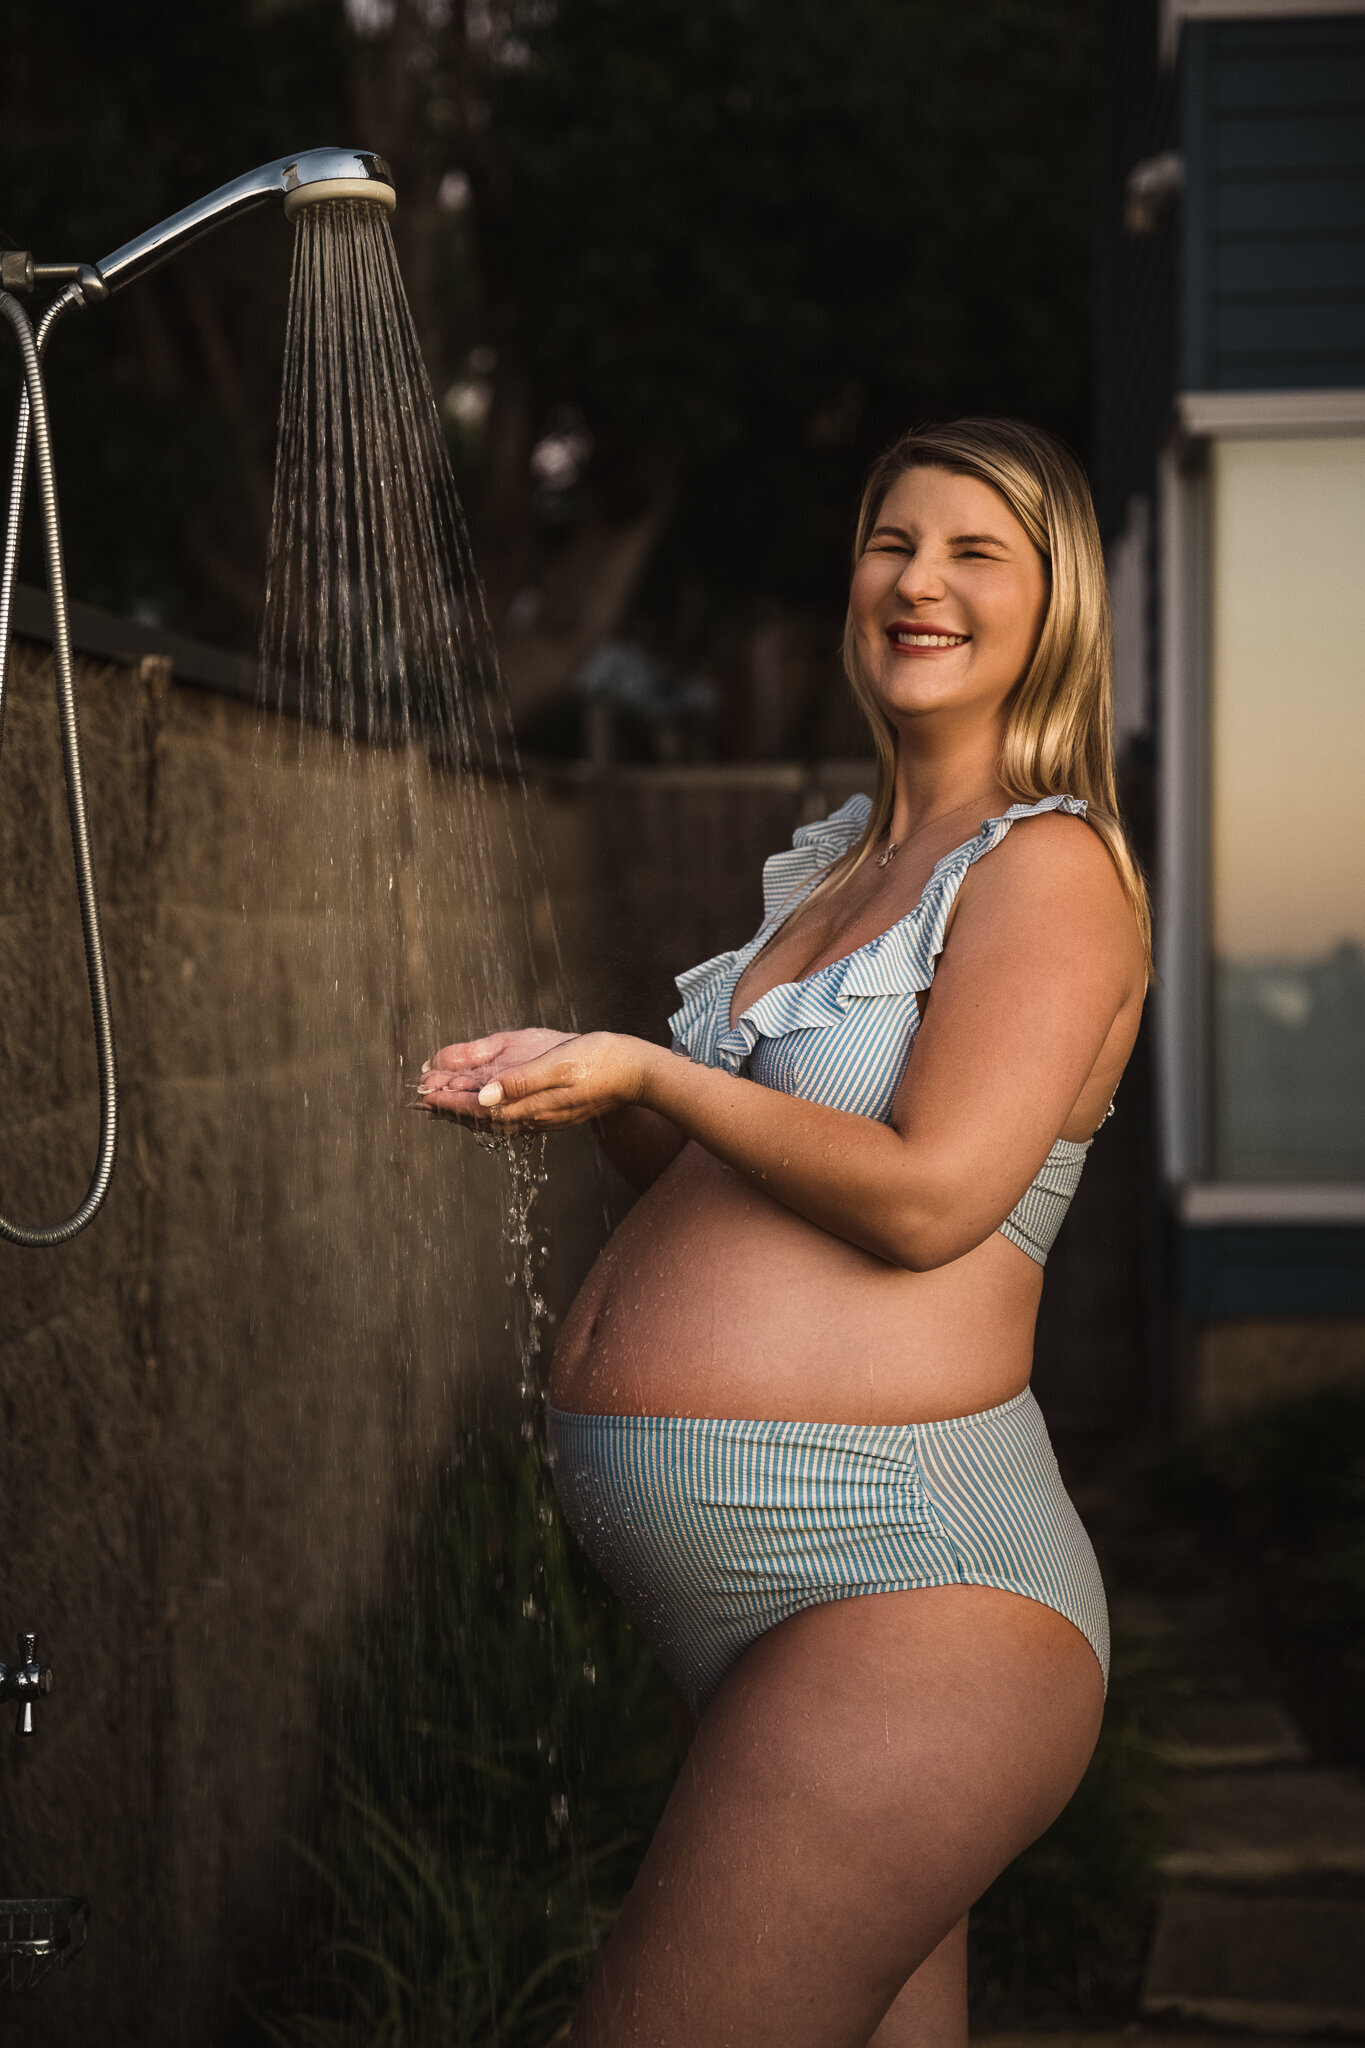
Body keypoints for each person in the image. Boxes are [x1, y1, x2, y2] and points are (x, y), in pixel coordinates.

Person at [418, 417, 1149, 2048]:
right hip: (769, 1611)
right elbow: (738, 1193)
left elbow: (928, 1202)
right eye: (893, 541)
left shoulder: (1046, 871)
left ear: (1058, 607)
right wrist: (590, 1089)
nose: (919, 582)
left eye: (977, 553)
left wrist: (652, 1063)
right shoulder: (840, 861)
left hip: (911, 1592)